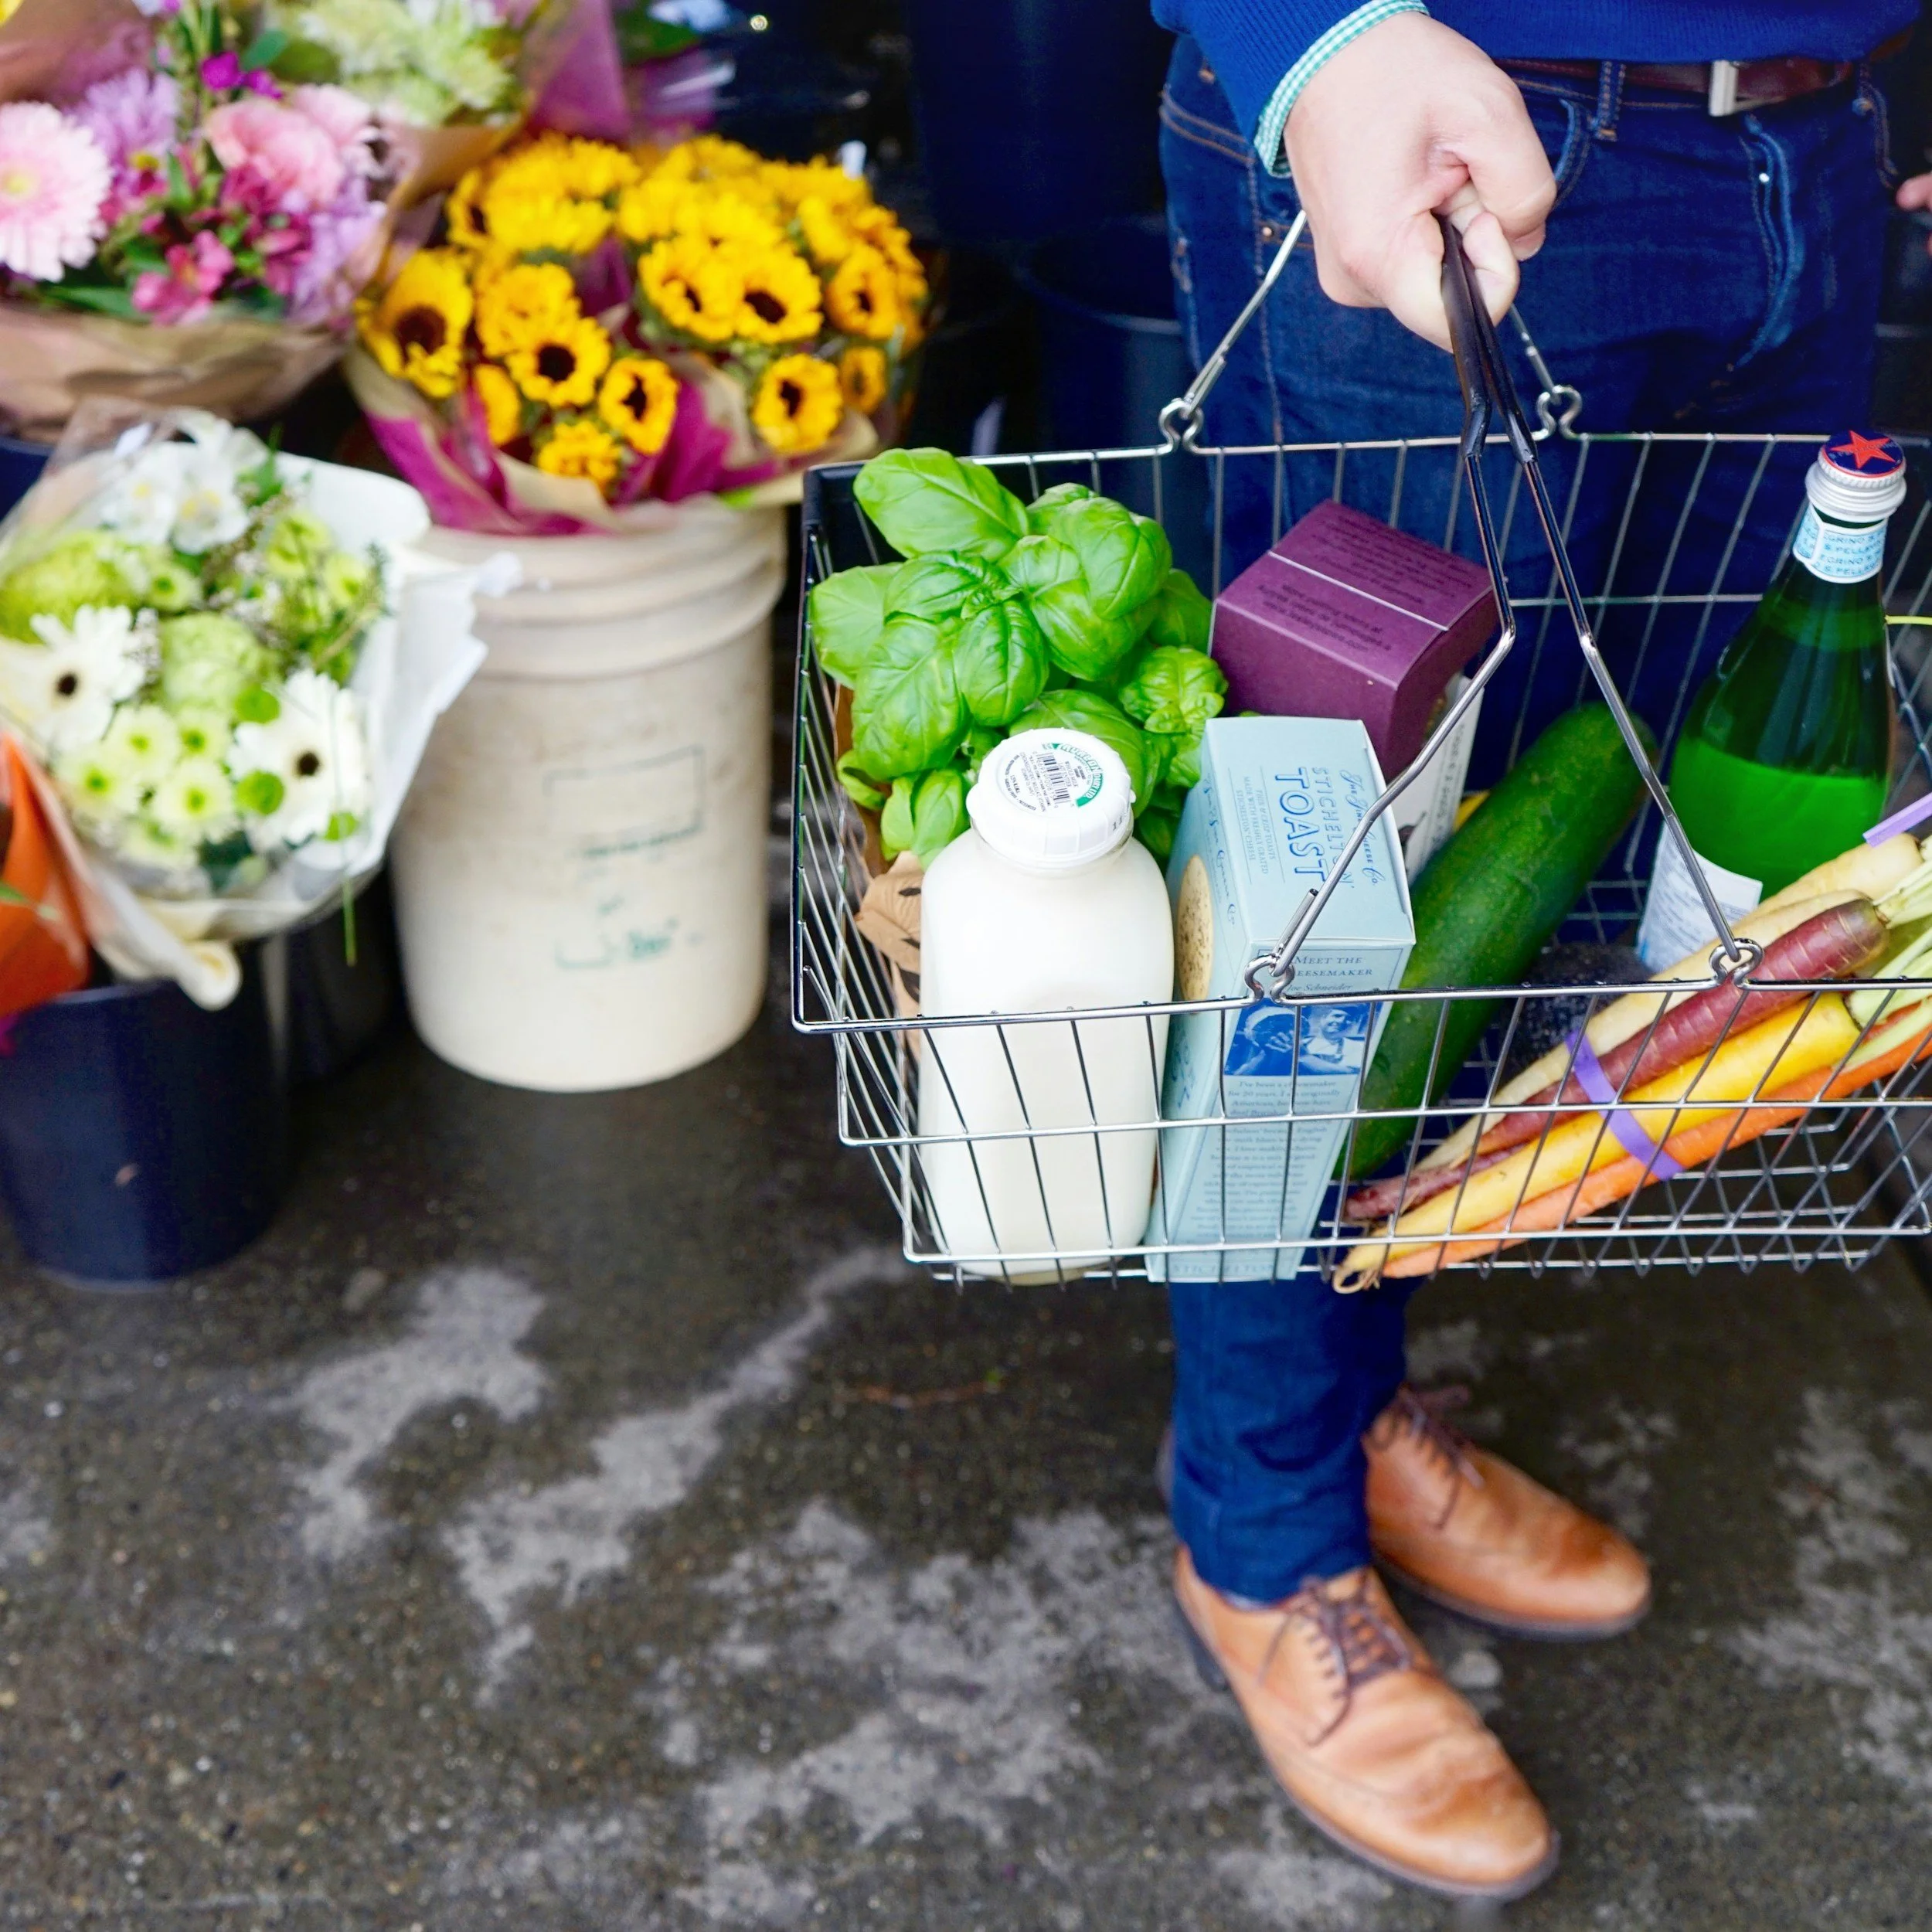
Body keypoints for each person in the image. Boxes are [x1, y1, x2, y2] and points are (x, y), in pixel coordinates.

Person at [1150, 0, 1930, 1900]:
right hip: (1448, 130)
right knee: (1318, 931)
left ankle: (1350, 1390)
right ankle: (1262, 1532)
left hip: (1817, 154)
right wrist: (1298, 33)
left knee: (1575, 870)